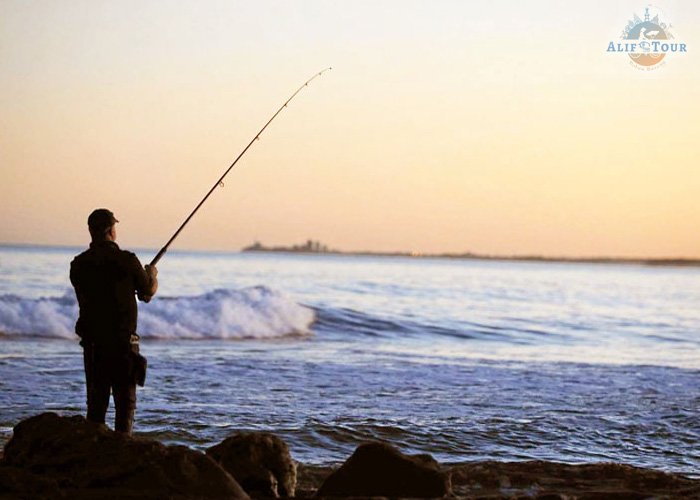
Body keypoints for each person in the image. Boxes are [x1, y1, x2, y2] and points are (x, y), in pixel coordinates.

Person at [70, 208, 158, 434]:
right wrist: (152, 274)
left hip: (93, 345)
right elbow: (147, 292)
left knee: (96, 409)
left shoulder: (78, 265)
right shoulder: (127, 260)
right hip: (123, 344)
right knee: (125, 407)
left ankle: (94, 458)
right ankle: (123, 454)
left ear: (91, 231)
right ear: (111, 230)